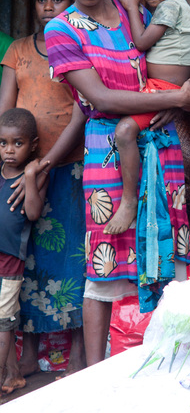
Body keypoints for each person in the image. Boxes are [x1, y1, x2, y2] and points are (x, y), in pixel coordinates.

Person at [44, 0, 190, 366]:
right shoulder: (61, 30)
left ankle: (170, 362)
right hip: (108, 148)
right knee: (105, 262)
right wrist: (173, 99)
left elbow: (176, 49)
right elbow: (103, 100)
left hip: (161, 139)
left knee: (167, 252)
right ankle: (95, 373)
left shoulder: (128, 8)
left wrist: (179, 92)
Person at [0, 0, 86, 379]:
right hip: (20, 171)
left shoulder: (77, 47)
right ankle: (30, 353)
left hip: (70, 168)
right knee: (26, 258)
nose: (49, 7)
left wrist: (47, 161)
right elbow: (5, 111)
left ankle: (77, 356)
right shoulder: (18, 50)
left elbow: (84, 108)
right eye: (42, 0)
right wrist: (12, 165)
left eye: (57, 0)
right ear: (33, 4)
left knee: (73, 258)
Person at [105, 0, 190, 235]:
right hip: (164, 89)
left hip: (161, 88)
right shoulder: (177, 9)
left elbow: (142, 42)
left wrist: (132, 8)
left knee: (123, 131)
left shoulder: (169, 8)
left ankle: (129, 200)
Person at [0, 108, 49, 395]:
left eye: (17, 143)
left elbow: (32, 213)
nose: (9, 150)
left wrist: (30, 176)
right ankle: (14, 375)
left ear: (32, 144)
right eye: (3, 143)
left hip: (9, 262)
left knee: (3, 322)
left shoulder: (37, 174)